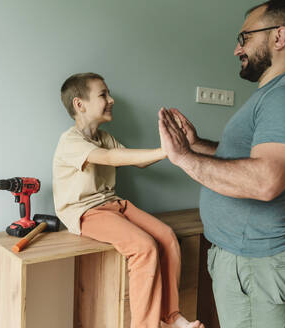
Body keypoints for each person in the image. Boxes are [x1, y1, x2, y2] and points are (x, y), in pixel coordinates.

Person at [158, 1, 285, 327]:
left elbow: (265, 180)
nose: (237, 48)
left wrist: (184, 158)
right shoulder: (272, 96)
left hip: (254, 261)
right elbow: (249, 160)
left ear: (279, 37)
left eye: (244, 37)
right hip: (240, 257)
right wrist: (197, 146)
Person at [52, 72, 205, 328]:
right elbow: (110, 159)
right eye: (103, 95)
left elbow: (139, 161)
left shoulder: (104, 137)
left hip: (112, 204)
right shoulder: (70, 141)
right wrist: (165, 150)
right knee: (144, 246)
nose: (111, 99)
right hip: (85, 212)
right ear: (80, 104)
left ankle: (171, 316)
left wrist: (173, 149)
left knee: (167, 236)